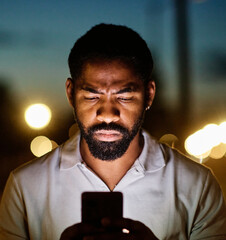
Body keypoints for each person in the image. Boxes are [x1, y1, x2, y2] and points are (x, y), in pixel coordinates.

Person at [0, 23, 226, 240]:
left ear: (149, 95)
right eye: (91, 96)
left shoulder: (197, 185)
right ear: (70, 94)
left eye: (125, 96)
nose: (107, 114)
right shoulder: (25, 187)